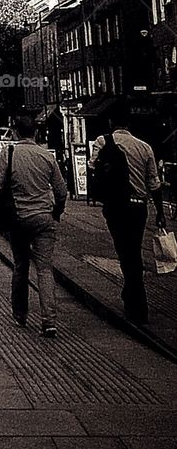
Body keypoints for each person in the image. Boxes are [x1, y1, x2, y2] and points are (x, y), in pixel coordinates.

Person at [89, 98, 167, 326]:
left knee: (125, 252)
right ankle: (134, 298)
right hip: (138, 207)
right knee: (132, 249)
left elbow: (92, 168)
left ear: (112, 121)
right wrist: (160, 212)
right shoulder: (144, 147)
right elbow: (154, 183)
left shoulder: (103, 142)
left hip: (115, 206)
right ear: (129, 123)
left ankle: (136, 302)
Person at [0, 112, 67, 337]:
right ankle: (49, 321)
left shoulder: (9, 153)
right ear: (36, 133)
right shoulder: (47, 156)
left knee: (21, 266)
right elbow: (61, 192)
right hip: (44, 218)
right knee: (44, 269)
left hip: (19, 219)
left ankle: (20, 313)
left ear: (15, 132)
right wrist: (56, 211)